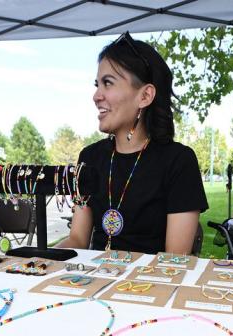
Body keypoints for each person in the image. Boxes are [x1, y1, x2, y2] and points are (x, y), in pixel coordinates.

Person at [58, 32, 207, 255]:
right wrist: (40, 259)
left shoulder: (178, 161)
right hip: (91, 283)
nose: (96, 96)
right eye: (97, 84)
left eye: (107, 83)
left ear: (145, 96)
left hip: (150, 285)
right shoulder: (89, 158)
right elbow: (78, 239)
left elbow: (175, 259)